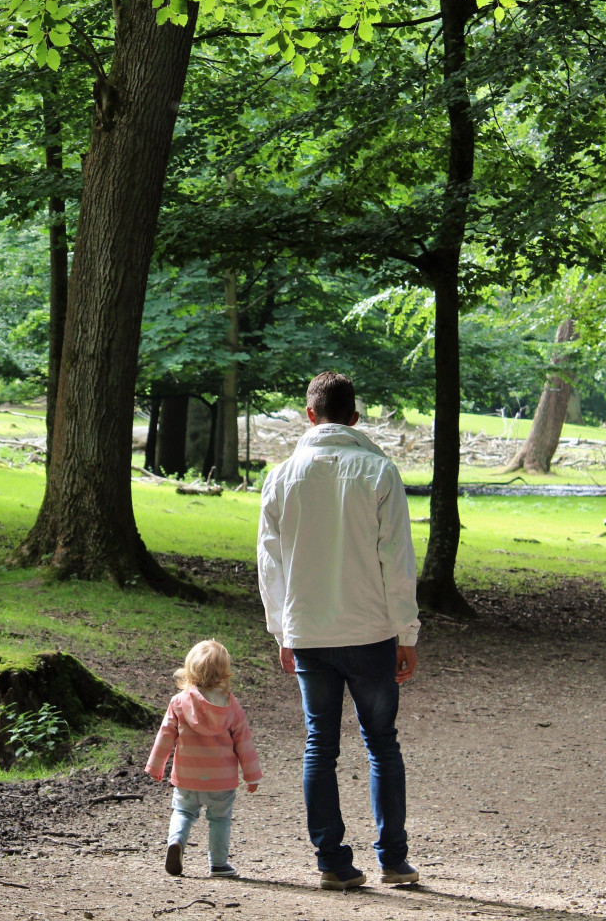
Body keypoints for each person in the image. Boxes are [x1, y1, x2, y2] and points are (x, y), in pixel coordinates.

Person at [257, 370, 422, 891]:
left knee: (318, 746)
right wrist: (407, 633)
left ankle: (331, 860)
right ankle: (393, 859)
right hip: (370, 629)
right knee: (382, 744)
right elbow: (396, 559)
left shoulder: (282, 476)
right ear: (355, 416)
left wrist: (281, 629)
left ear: (310, 414)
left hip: (309, 633)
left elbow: (270, 562)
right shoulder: (378, 471)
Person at [145, 639, 263, 880]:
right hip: (221, 781)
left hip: (187, 777)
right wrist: (252, 776)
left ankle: (176, 842)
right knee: (220, 820)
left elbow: (165, 735)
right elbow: (244, 743)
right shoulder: (231, 706)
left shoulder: (178, 702)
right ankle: (218, 864)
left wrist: (156, 766)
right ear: (224, 673)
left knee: (183, 812)